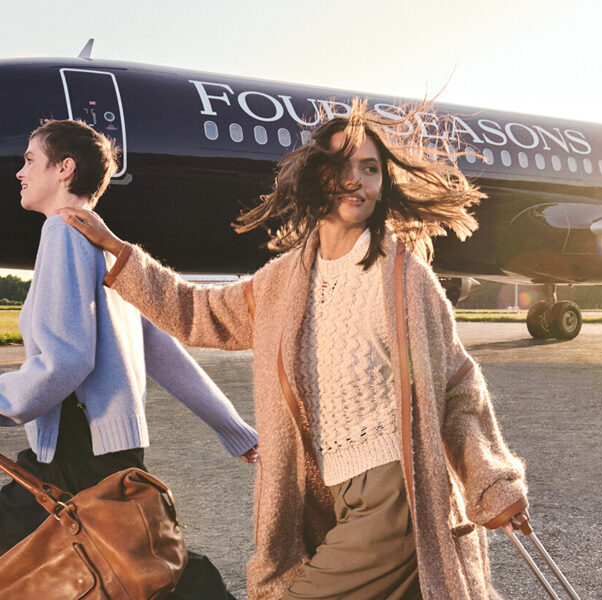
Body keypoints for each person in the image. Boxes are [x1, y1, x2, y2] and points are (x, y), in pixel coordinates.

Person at [63, 102, 530, 600]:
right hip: (330, 496)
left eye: (369, 169)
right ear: (314, 179)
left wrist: (491, 483)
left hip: (393, 492)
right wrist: (120, 253)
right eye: (339, 167)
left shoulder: (406, 279)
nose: (356, 180)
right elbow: (197, 312)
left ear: (383, 185)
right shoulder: (283, 282)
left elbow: (458, 385)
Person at [1, 119, 258, 600]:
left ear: (65, 169)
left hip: (76, 450)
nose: (21, 172)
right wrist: (232, 427)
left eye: (30, 160)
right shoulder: (104, 244)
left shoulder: (62, 232)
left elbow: (66, 361)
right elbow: (160, 348)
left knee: (134, 567)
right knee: (135, 563)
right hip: (108, 450)